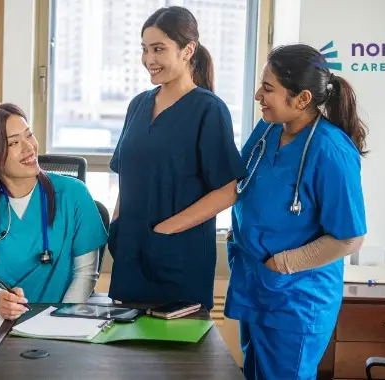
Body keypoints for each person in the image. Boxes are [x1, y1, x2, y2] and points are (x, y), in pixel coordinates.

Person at [225, 43, 368, 379]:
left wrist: (285, 264)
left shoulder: (331, 150)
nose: (259, 94)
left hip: (295, 299)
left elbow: (350, 238)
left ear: (302, 99)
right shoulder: (269, 129)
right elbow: (241, 181)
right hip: (258, 284)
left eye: (269, 88)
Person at [107, 6, 247, 310]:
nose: (149, 59)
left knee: (174, 356)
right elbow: (126, 176)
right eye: (144, 49)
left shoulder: (208, 110)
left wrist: (163, 232)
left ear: (188, 50)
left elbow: (227, 191)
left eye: (159, 49)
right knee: (124, 355)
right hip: (130, 257)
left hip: (178, 260)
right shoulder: (138, 105)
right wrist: (118, 225)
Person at [0, 103, 108, 320]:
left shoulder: (73, 194)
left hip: (58, 318)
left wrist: (60, 320)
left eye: (29, 135)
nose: (29, 147)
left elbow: (85, 275)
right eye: (13, 143)